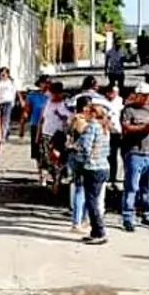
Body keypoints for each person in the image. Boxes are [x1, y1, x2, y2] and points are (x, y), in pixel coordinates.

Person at [119, 83, 149, 232]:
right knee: (131, 186)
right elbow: (126, 128)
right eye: (143, 95)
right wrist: (145, 128)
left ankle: (148, 214)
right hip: (134, 152)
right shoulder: (128, 111)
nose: (146, 98)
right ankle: (128, 217)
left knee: (147, 186)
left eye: (148, 96)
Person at [72, 97, 112, 245]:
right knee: (95, 199)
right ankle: (95, 231)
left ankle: (100, 231)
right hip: (103, 166)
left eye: (88, 111)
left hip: (92, 167)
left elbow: (85, 148)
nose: (85, 114)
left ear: (93, 114)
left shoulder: (91, 127)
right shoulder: (105, 127)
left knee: (91, 201)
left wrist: (74, 148)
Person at [65, 96, 94, 234]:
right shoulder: (79, 120)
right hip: (79, 157)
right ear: (85, 107)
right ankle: (77, 222)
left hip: (76, 155)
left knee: (84, 189)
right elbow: (85, 135)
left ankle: (84, 219)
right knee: (80, 189)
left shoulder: (73, 118)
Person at [38, 82, 71, 192]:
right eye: (52, 94)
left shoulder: (65, 104)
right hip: (46, 133)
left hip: (59, 135)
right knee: (47, 160)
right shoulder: (47, 102)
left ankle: (57, 181)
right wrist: (38, 134)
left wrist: (61, 116)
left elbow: (71, 118)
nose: (54, 96)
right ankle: (55, 177)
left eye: (57, 94)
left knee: (58, 159)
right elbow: (42, 119)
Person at [102, 84, 125, 191]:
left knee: (117, 155)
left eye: (114, 92)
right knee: (109, 155)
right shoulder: (104, 102)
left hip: (117, 132)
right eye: (110, 92)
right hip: (106, 132)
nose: (112, 94)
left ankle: (115, 178)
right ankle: (108, 177)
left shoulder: (121, 102)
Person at [25, 76, 51, 161]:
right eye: (43, 83)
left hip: (48, 125)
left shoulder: (52, 96)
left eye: (48, 83)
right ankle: (40, 169)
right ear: (39, 84)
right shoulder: (32, 95)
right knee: (36, 149)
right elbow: (27, 111)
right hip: (35, 124)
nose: (45, 85)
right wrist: (22, 124)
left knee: (48, 148)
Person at [0, 67, 18, 140]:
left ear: (8, 74)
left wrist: (13, 102)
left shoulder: (11, 82)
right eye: (2, 73)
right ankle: (1, 133)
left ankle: (3, 136)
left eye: (4, 73)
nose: (3, 75)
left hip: (8, 102)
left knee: (6, 119)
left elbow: (14, 92)